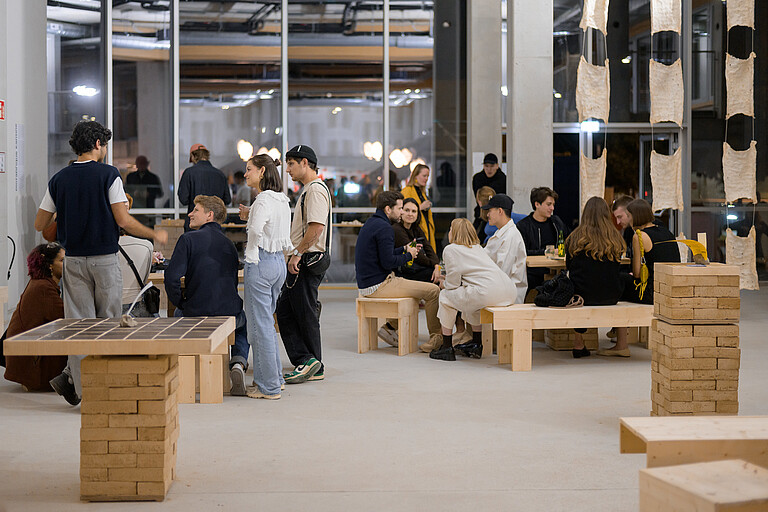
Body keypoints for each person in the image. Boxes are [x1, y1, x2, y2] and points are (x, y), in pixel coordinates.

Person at [34, 120, 168, 406]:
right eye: (105, 144)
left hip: (72, 260)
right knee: (108, 325)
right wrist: (152, 233)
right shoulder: (110, 175)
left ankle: (86, 395)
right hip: (105, 260)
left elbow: (39, 223)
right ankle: (107, 393)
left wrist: (68, 212)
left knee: (78, 328)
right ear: (98, 144)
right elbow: (122, 219)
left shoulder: (59, 179)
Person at [164, 195, 249, 395]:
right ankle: (238, 362)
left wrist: (181, 302)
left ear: (209, 215)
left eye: (195, 210)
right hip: (228, 313)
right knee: (243, 325)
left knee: (176, 315)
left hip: (196, 312)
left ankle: (183, 368)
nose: (190, 214)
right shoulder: (229, 245)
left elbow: (171, 279)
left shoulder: (187, 240)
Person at [356, 191, 443, 352]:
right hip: (379, 285)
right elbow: (388, 262)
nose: (402, 212)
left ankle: (389, 328)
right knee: (433, 291)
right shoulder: (385, 228)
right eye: (401, 208)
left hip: (368, 284)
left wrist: (402, 249)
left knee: (423, 288)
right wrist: (408, 255)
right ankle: (437, 338)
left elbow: (383, 254)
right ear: (388, 209)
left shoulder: (372, 223)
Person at [237, 155, 293, 400]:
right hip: (278, 263)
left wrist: (250, 257)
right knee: (267, 325)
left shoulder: (262, 199)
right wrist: (251, 214)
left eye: (249, 170)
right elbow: (272, 227)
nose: (245, 174)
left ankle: (267, 387)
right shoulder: (281, 199)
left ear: (261, 172)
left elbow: (257, 230)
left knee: (259, 328)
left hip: (260, 263)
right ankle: (275, 379)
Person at [276, 145, 332, 384]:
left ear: (305, 163)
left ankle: (311, 362)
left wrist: (298, 253)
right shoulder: (309, 190)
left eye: (291, 164)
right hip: (304, 258)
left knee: (304, 312)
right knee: (287, 311)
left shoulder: (316, 190)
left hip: (307, 260)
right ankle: (308, 361)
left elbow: (316, 228)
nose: (287, 170)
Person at [430, 218, 517, 361]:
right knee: (472, 301)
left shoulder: (451, 249)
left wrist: (443, 283)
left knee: (445, 296)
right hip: (508, 291)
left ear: (455, 232)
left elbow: (452, 285)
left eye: (451, 229)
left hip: (486, 292)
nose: (449, 232)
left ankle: (446, 347)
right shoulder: (478, 248)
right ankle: (476, 344)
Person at [565, 197, 629, 358]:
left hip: (582, 297)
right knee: (620, 279)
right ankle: (620, 340)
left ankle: (578, 343)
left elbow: (569, 267)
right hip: (611, 295)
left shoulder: (574, 238)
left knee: (577, 284)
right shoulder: (615, 238)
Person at [3, 243, 66, 391]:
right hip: (32, 366)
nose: (67, 264)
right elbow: (67, 319)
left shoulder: (38, 283)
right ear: (49, 265)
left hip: (24, 360)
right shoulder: (44, 288)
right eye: (62, 261)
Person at [620, 199, 681, 307]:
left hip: (651, 292)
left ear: (635, 216)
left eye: (629, 216)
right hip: (670, 289)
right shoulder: (666, 232)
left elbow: (637, 274)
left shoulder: (639, 236)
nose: (629, 220)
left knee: (620, 278)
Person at [516, 186, 569, 293]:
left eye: (553, 205)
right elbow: (522, 252)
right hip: (533, 273)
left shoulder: (556, 222)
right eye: (549, 204)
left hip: (558, 270)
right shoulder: (523, 226)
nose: (552, 208)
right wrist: (546, 252)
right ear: (537, 204)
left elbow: (569, 239)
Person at [481, 194, 528, 303]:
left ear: (500, 211)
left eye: (490, 210)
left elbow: (502, 272)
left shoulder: (510, 236)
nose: (487, 214)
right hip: (497, 287)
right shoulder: (500, 233)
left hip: (506, 294)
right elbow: (484, 256)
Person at [178, 143, 231, 231]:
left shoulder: (189, 173)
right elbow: (227, 200)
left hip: (195, 226)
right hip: (215, 224)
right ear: (207, 155)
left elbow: (183, 199)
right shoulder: (220, 174)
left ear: (193, 156)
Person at [118, 194, 154, 317]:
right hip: (136, 306)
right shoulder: (146, 245)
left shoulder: (99, 246)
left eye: (127, 208)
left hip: (111, 306)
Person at [392, 198, 441, 284]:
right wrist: (433, 265)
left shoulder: (416, 228)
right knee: (436, 278)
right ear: (401, 211)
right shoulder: (397, 229)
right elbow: (417, 257)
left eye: (414, 211)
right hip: (401, 272)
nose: (410, 214)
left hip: (414, 269)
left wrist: (437, 266)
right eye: (407, 210)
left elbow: (428, 248)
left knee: (439, 276)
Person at [401, 163, 436, 251]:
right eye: (424, 175)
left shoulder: (422, 193)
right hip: (413, 232)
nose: (426, 178)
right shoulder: (407, 191)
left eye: (428, 176)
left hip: (425, 230)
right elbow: (402, 211)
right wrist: (420, 207)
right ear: (415, 176)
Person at [471, 153, 506, 223]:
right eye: (486, 166)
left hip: (498, 215)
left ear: (497, 166)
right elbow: (479, 198)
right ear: (483, 166)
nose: (489, 169)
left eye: (492, 166)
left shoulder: (503, 179)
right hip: (481, 214)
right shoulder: (477, 178)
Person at [612, 195, 635, 260]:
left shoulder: (644, 232)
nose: (617, 222)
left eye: (619, 217)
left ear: (629, 212)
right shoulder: (628, 231)